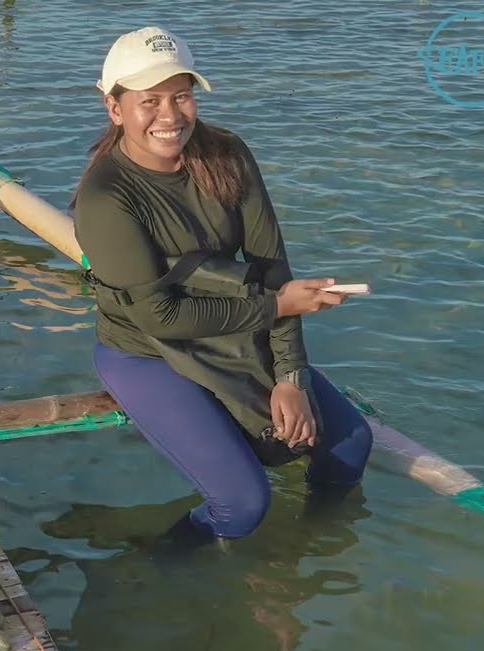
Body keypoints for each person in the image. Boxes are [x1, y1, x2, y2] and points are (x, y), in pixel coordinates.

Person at [71, 27, 374, 547]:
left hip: (233, 325)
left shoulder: (227, 153)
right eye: (150, 101)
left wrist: (292, 379)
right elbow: (158, 318)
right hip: (145, 351)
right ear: (115, 108)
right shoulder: (106, 198)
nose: (170, 117)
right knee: (243, 504)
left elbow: (272, 268)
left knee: (350, 446)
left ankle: (304, 551)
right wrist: (277, 305)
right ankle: (167, 568)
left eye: (181, 96)